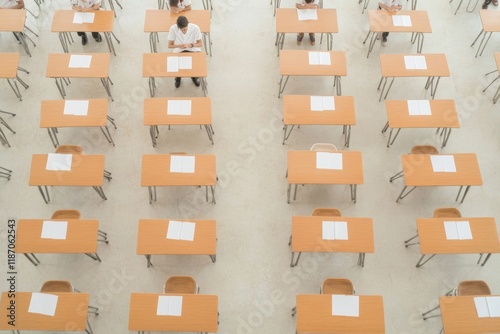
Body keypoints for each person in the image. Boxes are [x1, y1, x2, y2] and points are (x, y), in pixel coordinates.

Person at [168, 16, 203, 88]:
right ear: (178, 27)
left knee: (193, 64)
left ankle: (194, 76)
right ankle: (178, 77)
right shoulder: (173, 29)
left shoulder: (195, 28)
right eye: (182, 30)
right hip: (179, 50)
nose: (184, 31)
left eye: (185, 29)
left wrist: (190, 45)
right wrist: (178, 46)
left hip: (192, 49)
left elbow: (200, 44)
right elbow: (170, 45)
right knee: (177, 64)